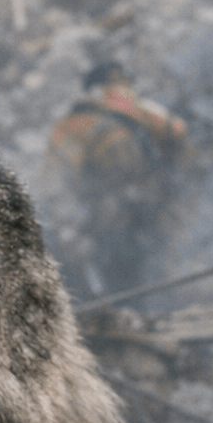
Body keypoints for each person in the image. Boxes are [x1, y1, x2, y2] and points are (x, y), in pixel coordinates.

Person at [47, 61, 192, 298]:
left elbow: (58, 178)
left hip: (106, 211)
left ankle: (113, 301)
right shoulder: (142, 110)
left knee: (108, 266)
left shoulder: (72, 124)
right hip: (149, 203)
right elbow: (179, 133)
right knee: (147, 261)